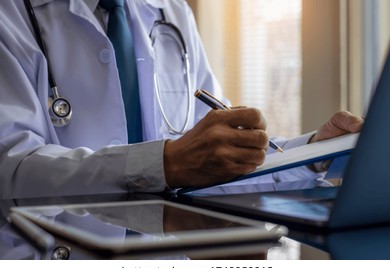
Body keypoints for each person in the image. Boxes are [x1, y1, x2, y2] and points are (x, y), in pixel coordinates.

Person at [0, 0, 363, 199]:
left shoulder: (171, 12)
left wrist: (315, 154)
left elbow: (217, 159)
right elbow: (12, 170)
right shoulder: (11, 15)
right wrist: (164, 163)